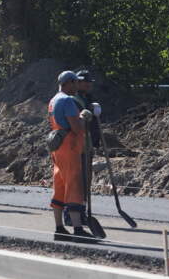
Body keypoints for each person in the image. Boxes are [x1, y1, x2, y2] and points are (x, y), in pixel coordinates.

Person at [48, 70, 97, 243]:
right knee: (74, 184)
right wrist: (85, 116)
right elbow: (77, 128)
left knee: (60, 185)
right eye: (75, 82)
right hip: (69, 147)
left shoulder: (53, 100)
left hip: (57, 147)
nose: (77, 86)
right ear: (68, 83)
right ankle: (78, 228)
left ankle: (59, 228)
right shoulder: (67, 100)